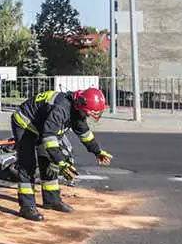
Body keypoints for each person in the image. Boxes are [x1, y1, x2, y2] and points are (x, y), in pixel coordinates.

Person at [10, 88, 113, 221]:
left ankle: (52, 201)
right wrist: (61, 162)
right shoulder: (61, 109)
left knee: (48, 161)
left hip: (42, 126)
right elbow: (49, 137)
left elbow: (84, 133)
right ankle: (27, 207)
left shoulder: (77, 110)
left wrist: (97, 151)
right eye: (87, 112)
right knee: (27, 164)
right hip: (25, 123)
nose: (87, 115)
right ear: (80, 105)